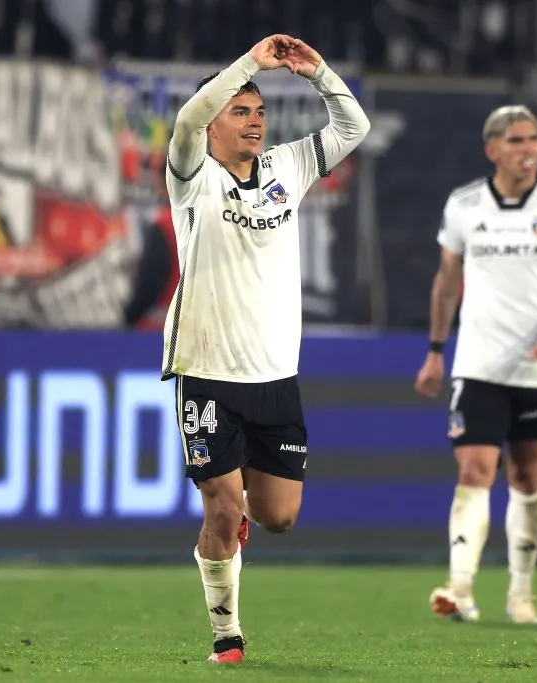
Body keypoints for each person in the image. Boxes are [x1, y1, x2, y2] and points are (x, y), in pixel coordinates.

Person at [161, 34, 369, 664]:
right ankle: (227, 633)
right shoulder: (191, 175)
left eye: (259, 112)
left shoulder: (287, 167)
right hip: (206, 372)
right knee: (223, 512)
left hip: (276, 376)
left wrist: (319, 72)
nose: (253, 122)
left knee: (277, 517)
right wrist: (252, 62)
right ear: (215, 122)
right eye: (240, 112)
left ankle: (240, 528)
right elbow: (187, 117)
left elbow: (353, 126)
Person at [413, 105, 537, 625]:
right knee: (474, 469)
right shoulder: (465, 205)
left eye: (534, 139)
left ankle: (521, 592)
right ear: (492, 149)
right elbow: (446, 284)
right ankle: (460, 587)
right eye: (517, 140)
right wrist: (434, 350)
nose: (529, 149)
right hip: (477, 362)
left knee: (526, 476)